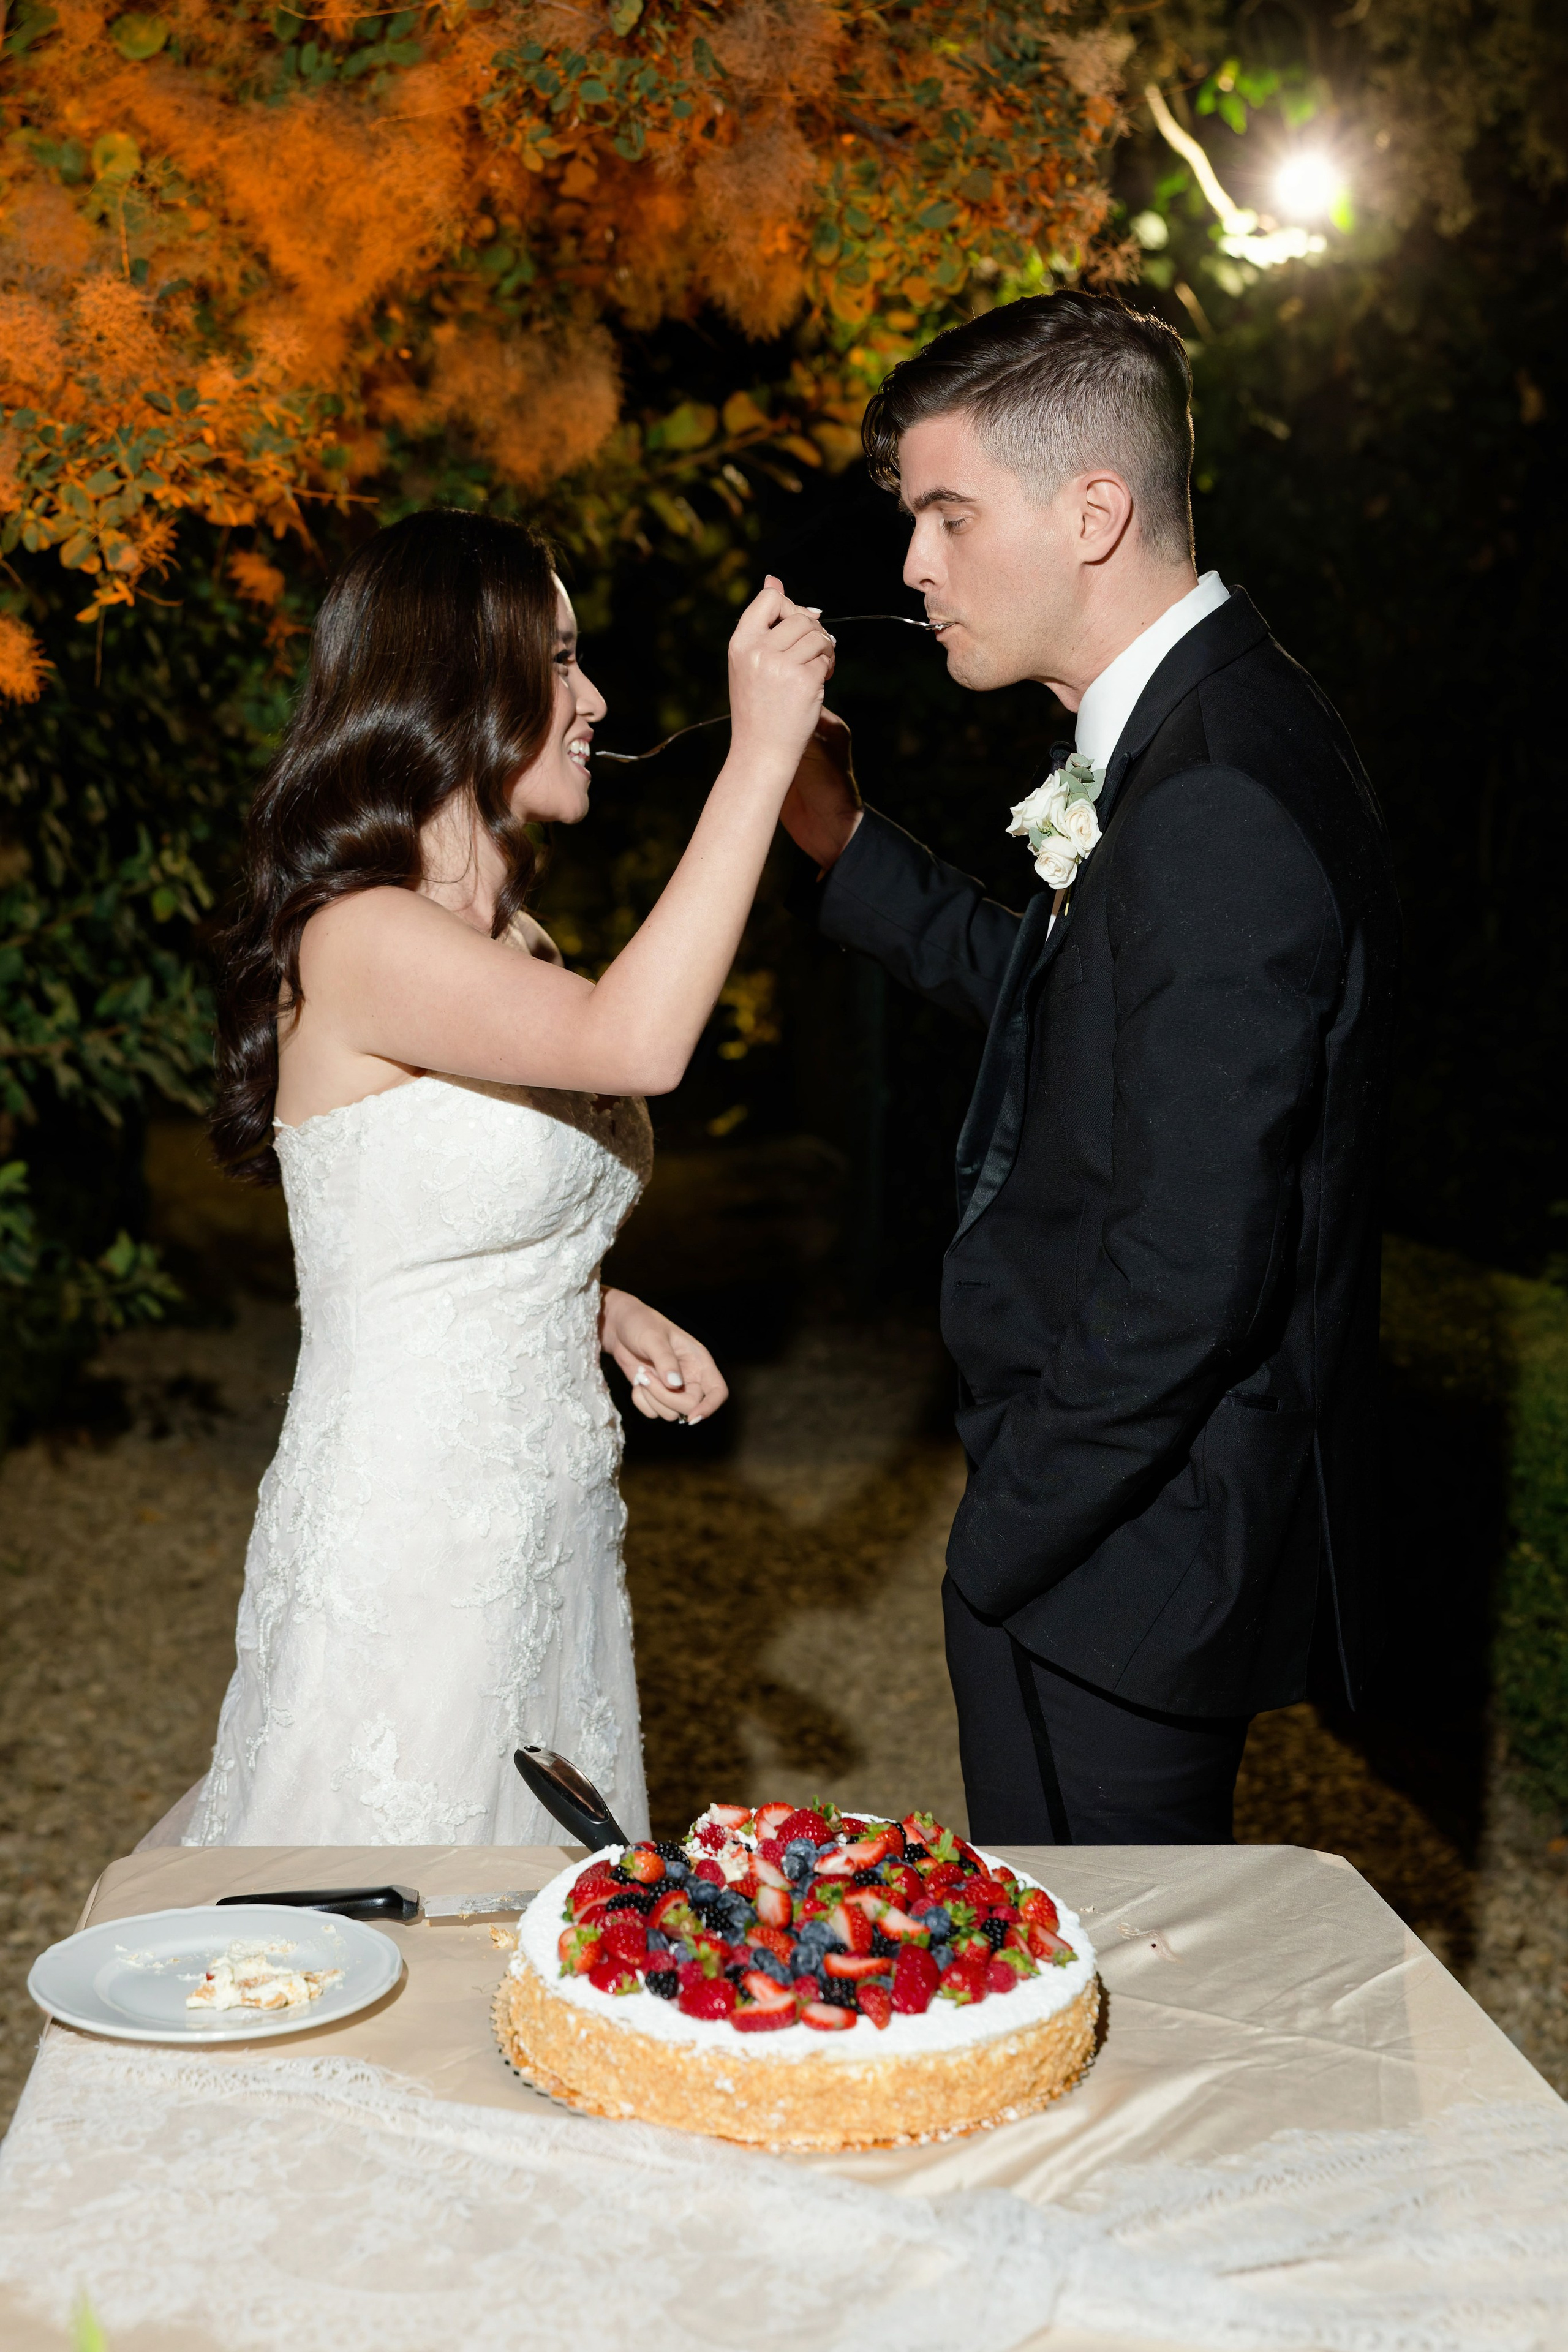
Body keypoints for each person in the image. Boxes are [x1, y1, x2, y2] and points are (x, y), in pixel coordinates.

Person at [782, 291, 1399, 1845]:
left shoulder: (1213, 797)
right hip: (1116, 1528)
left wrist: (1010, 1530)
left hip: (1124, 1550)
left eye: (947, 514)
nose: (913, 565)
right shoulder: (1208, 718)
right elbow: (1081, 1007)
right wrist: (848, 847)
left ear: (1092, 512)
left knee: (1089, 1968)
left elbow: (1192, 1271)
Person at [182, 510, 834, 1846]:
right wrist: (758, 757)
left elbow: (427, 1214)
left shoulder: (516, 943)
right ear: (457, 685)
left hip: (549, 1530)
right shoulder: (360, 935)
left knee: (545, 1913)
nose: (594, 701)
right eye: (562, 660)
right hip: (412, 1541)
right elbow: (637, 1045)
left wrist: (587, 1302)